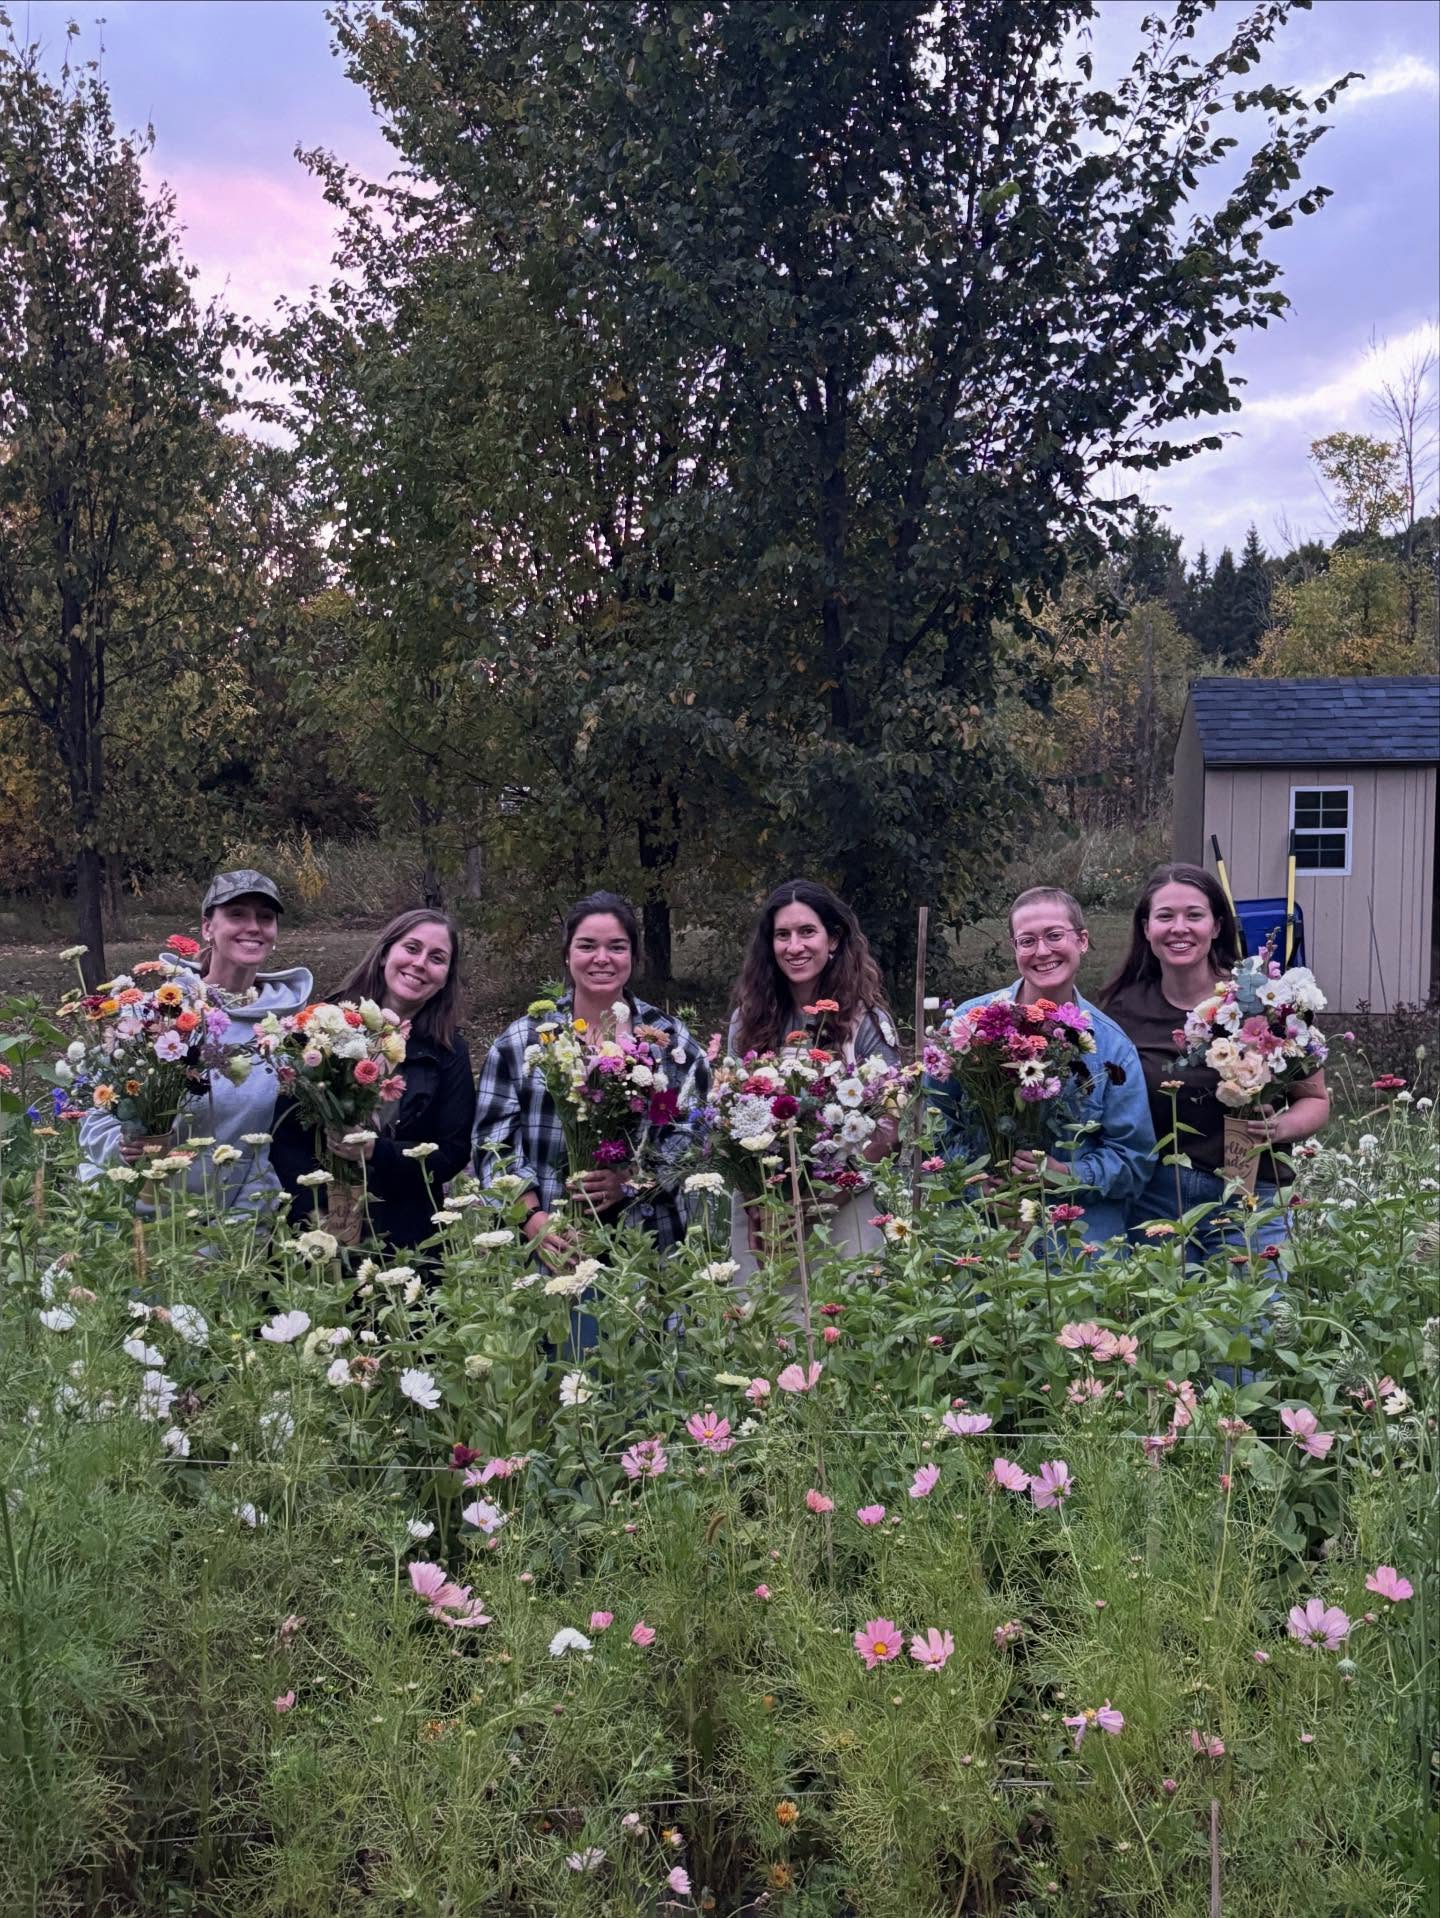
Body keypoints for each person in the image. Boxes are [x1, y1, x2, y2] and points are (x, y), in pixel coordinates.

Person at [1101, 862, 1329, 1257]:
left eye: (1194, 915)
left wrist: (1279, 1127)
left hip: (1251, 1197)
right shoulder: (1121, 1010)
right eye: (1165, 916)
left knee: (1254, 1300)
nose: (1179, 928)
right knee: (1163, 1300)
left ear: (1217, 925)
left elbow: (1315, 1100)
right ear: (1146, 928)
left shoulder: (1264, 1001)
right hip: (1157, 1197)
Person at [471, 890, 709, 1261]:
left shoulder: (670, 1041)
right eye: (586, 946)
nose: (601, 958)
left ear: (633, 957)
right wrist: (533, 1220)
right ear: (567, 955)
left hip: (648, 1245)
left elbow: (694, 1134)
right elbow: (492, 1142)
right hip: (550, 1250)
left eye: (616, 947)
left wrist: (631, 1179)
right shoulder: (522, 1041)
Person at [927, 887, 1154, 1244]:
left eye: (1054, 935)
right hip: (982, 1233)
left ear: (1082, 941)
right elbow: (933, 1128)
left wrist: (1067, 1174)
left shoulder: (1111, 1047)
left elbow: (1134, 1160)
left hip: (1075, 1240)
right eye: (1027, 941)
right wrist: (971, 1182)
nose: (1042, 951)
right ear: (1014, 948)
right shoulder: (970, 1026)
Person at [79, 869, 312, 1214]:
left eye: (265, 917)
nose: (253, 927)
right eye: (236, 914)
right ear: (207, 928)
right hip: (127, 1215)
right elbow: (94, 1118)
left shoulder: (289, 1030)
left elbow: (268, 1151)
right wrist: (121, 1146)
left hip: (228, 1227)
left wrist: (242, 1227)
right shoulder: (154, 1014)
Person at [270, 910, 475, 1252]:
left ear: (445, 978)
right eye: (411, 948)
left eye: (437, 958)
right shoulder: (323, 1025)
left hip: (407, 1239)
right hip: (316, 1228)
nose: (420, 963)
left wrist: (375, 1152)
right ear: (384, 954)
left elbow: (453, 1153)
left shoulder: (448, 1051)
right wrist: (316, 1212)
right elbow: (285, 1138)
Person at [725, 878, 901, 1276]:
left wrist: (820, 1199)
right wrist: (760, 1202)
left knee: (839, 1308)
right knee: (762, 1308)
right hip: (763, 1208)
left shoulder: (865, 1021)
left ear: (833, 939)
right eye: (782, 935)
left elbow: (891, 1125)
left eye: (807, 932)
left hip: (843, 1205)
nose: (794, 947)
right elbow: (728, 1115)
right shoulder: (747, 1021)